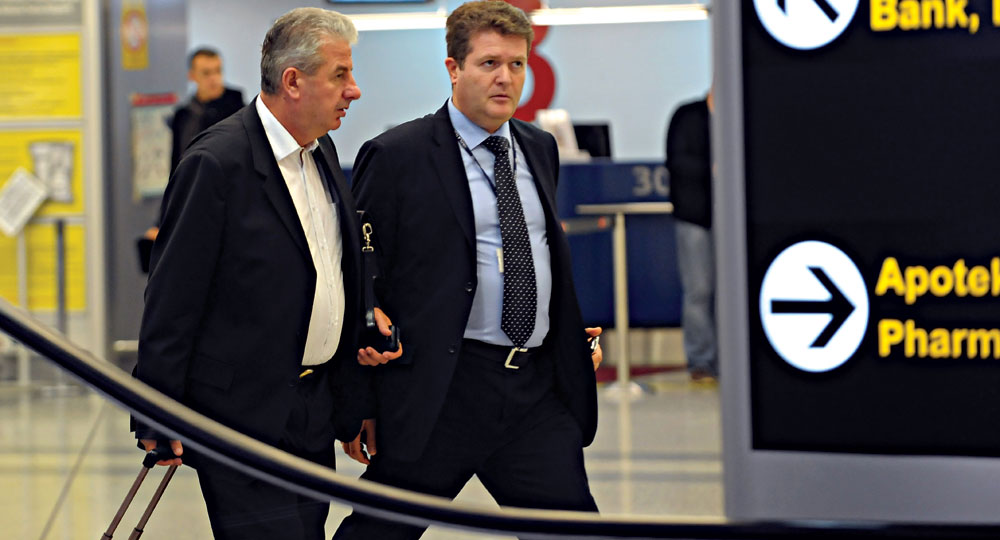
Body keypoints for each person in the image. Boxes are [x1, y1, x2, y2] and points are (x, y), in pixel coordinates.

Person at [334, 2, 603, 538]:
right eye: (489, 63)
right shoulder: (397, 155)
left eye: (517, 64)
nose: (506, 77)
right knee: (379, 532)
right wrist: (361, 401)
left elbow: (539, 256)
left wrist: (568, 338)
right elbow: (361, 277)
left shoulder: (539, 148)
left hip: (533, 393)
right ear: (454, 68)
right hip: (441, 391)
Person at [132, 8, 386, 539]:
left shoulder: (321, 152)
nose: (354, 90)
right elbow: (173, 297)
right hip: (241, 418)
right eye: (340, 74)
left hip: (312, 411)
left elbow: (333, 271)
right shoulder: (217, 163)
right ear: (293, 81)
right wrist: (155, 411)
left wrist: (355, 394)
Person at [665, 89, 717, 381]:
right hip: (694, 217)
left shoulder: (738, 111)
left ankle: (729, 357)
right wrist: (714, 168)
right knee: (699, 290)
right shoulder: (687, 116)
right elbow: (677, 162)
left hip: (732, 220)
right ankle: (701, 361)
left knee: (730, 291)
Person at [170, 47, 245, 173]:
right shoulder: (183, 116)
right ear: (192, 76)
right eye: (206, 73)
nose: (214, 78)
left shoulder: (238, 111)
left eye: (218, 71)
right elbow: (176, 162)